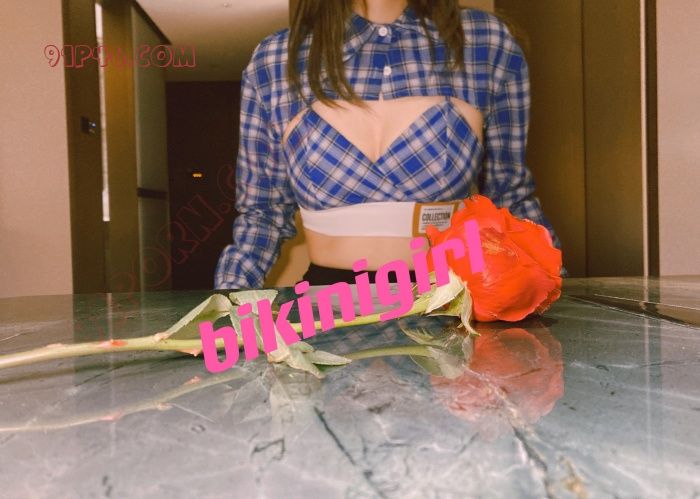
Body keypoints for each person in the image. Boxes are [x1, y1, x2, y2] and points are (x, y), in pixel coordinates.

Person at [215, 0, 561, 289]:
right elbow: (263, 212)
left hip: (450, 304)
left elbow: (510, 197)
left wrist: (562, 291)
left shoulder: (485, 43)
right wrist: (225, 303)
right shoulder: (276, 59)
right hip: (327, 309)